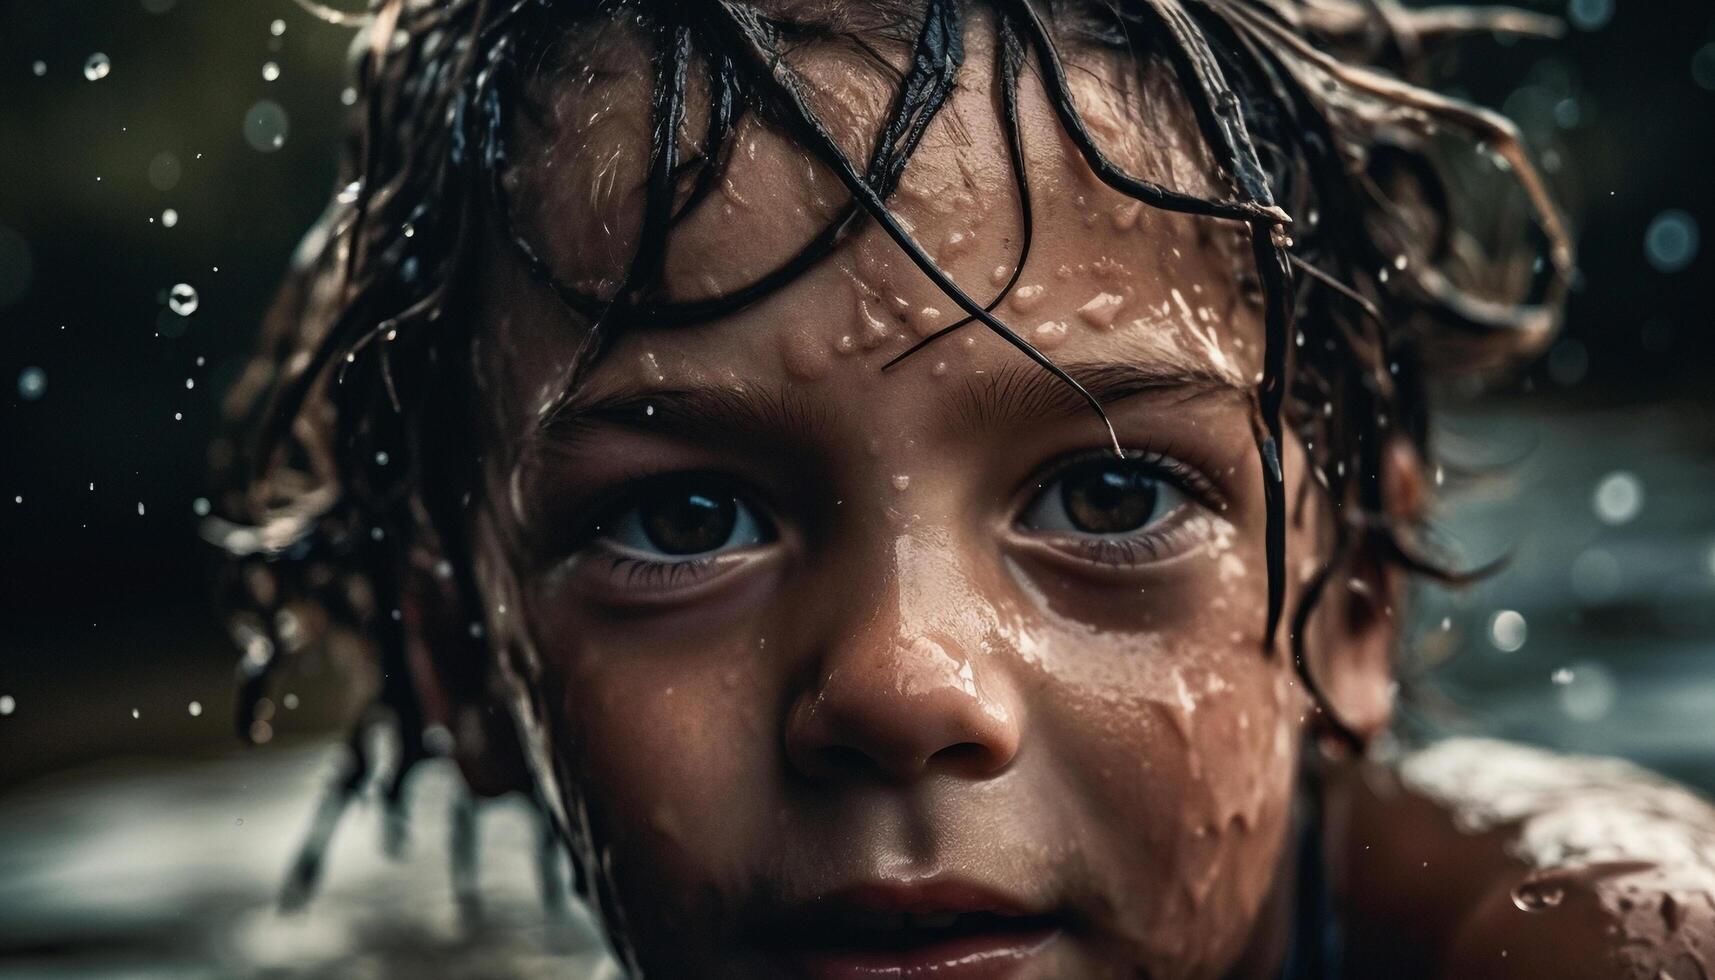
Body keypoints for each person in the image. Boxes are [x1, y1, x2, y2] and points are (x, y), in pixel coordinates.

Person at [208, 0, 1715, 976]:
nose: (900, 684)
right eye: (687, 520)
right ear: (468, 658)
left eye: (1111, 498)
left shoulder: (1581, 936)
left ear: (1357, 603)